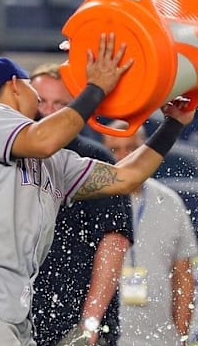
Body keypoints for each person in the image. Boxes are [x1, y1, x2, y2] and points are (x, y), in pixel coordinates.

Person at [0, 33, 196, 346]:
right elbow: (43, 139)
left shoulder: (56, 161)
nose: (39, 99)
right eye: (31, 86)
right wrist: (96, 87)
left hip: (13, 306)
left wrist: (173, 124)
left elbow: (127, 177)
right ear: (14, 85)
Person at [29, 63, 133, 346]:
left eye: (60, 103)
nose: (48, 111)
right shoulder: (15, 156)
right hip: (19, 318)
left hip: (76, 322)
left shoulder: (94, 158)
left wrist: (89, 323)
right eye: (41, 102)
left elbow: (114, 242)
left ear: (76, 106)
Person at [101, 120, 198, 346]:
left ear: (146, 149)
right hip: (104, 335)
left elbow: (184, 276)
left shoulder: (170, 202)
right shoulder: (91, 200)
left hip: (159, 337)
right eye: (114, 150)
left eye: (132, 148)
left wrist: (181, 337)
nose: (124, 157)